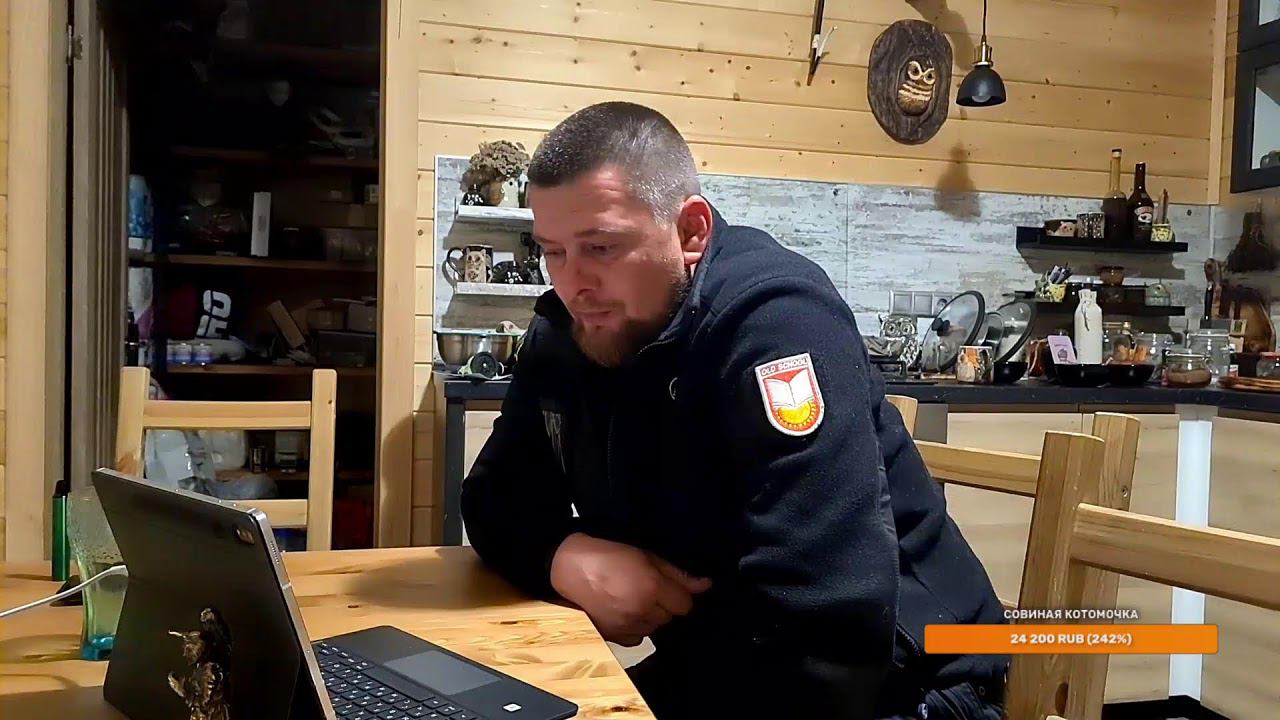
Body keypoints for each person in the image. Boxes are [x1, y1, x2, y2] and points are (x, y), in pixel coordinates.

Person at [460, 102, 1008, 720]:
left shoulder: (777, 324)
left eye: (601, 247)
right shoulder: (571, 332)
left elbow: (831, 625)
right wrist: (564, 557)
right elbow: (492, 499)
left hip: (909, 682)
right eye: (553, 251)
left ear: (691, 232)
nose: (572, 284)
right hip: (729, 663)